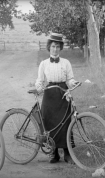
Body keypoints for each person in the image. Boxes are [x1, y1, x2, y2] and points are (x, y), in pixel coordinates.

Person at [35, 32, 78, 164]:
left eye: (58, 47)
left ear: (60, 48)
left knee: (65, 123)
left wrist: (73, 83)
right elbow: (40, 81)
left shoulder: (66, 63)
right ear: (49, 47)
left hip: (62, 95)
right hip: (49, 95)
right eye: (53, 46)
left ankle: (66, 153)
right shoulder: (44, 64)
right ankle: (54, 154)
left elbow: (70, 79)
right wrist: (38, 87)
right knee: (49, 123)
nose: (55, 49)